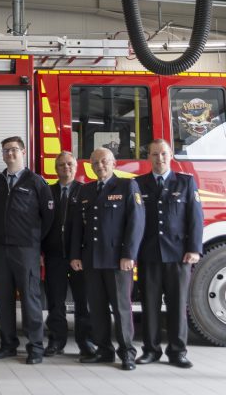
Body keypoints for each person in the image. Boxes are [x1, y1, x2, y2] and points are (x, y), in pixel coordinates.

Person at [70, 148, 144, 371]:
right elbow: (77, 227)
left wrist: (128, 255)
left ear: (113, 163)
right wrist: (75, 254)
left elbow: (136, 224)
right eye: (95, 162)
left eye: (104, 161)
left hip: (116, 260)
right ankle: (103, 351)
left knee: (121, 309)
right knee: (98, 308)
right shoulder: (86, 190)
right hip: (91, 259)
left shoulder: (126, 186)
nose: (99, 165)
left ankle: (127, 353)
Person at [135, 139, 203, 368]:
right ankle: (151, 350)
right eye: (154, 154)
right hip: (149, 256)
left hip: (178, 255)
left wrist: (194, 248)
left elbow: (195, 218)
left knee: (177, 305)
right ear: (149, 157)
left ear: (171, 154)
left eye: (163, 153)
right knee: (150, 305)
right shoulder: (138, 184)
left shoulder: (185, 182)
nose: (159, 158)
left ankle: (177, 352)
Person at [0, 136, 54, 364]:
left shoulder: (36, 182)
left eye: (14, 150)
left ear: (23, 152)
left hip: (26, 251)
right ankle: (8, 345)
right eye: (6, 150)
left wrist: (34, 241)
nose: (10, 154)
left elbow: (48, 218)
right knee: (2, 299)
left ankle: (35, 347)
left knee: (30, 299)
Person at [41, 151, 95, 357]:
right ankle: (56, 341)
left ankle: (86, 342)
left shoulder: (86, 191)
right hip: (54, 256)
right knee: (55, 301)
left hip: (80, 257)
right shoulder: (47, 192)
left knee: (83, 301)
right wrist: (40, 250)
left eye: (70, 164)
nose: (66, 168)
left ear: (77, 167)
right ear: (55, 169)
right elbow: (40, 224)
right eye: (61, 165)